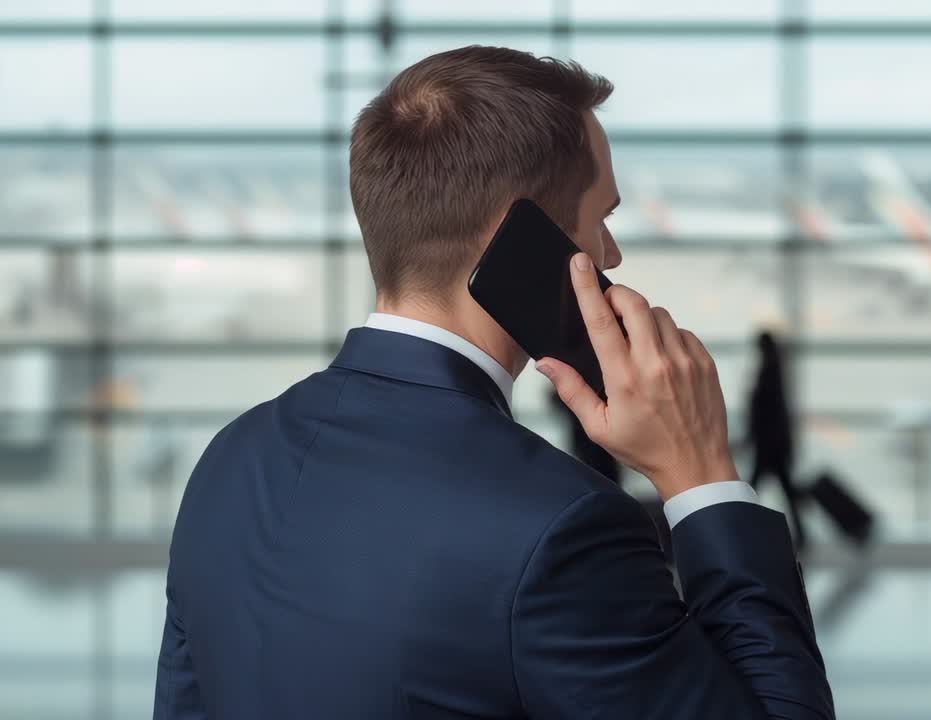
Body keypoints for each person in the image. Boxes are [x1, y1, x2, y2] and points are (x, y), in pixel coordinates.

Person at [154, 47, 834, 720]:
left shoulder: (228, 461)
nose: (612, 255)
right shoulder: (564, 528)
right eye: (602, 218)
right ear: (525, 239)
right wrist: (702, 474)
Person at [746, 330, 808, 551]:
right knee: (781, 491)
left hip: (769, 446)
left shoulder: (768, 373)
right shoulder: (775, 371)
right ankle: (802, 535)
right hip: (774, 445)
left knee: (752, 491)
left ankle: (742, 528)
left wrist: (751, 437)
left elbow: (763, 413)